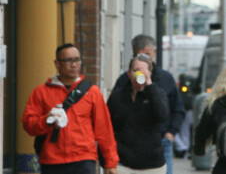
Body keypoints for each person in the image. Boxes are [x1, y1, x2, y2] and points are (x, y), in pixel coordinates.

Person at [22, 43, 119, 174]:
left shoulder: (92, 92)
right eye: (68, 60)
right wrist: (47, 120)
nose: (74, 65)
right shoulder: (41, 92)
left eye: (77, 60)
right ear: (57, 64)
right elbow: (28, 125)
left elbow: (104, 130)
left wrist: (110, 163)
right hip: (52, 161)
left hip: (83, 159)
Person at [113, 35, 185, 174]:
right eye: (137, 55)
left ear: (155, 52)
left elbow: (177, 109)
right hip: (128, 148)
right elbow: (112, 114)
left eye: (147, 54)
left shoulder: (165, 78)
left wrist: (170, 133)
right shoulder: (124, 81)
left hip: (161, 143)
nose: (143, 59)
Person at [108, 53, 169, 173]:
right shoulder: (118, 96)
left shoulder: (157, 94)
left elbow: (162, 116)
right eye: (136, 70)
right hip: (122, 163)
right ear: (129, 73)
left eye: (143, 71)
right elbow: (106, 127)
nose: (139, 74)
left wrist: (150, 86)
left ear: (149, 74)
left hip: (152, 165)